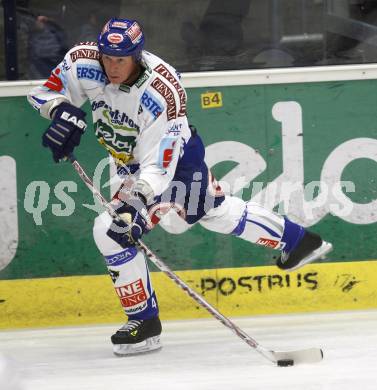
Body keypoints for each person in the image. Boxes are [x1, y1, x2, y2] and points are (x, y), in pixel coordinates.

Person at [27, 18, 332, 356]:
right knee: (215, 212)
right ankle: (299, 240)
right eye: (107, 58)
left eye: (121, 60)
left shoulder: (163, 92)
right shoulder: (84, 61)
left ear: (138, 56)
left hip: (174, 166)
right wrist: (61, 111)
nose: (112, 67)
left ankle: (144, 324)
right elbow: (43, 93)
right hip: (130, 163)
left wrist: (133, 205)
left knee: (111, 230)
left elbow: (159, 166)